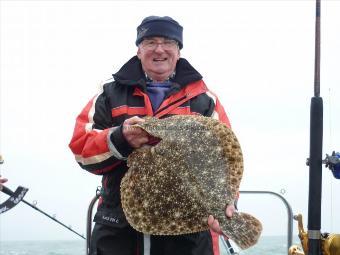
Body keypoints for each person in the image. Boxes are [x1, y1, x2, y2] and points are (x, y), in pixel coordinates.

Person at [69, 16, 236, 255]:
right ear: (139, 50)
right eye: (150, 42)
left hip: (187, 235)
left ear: (178, 51)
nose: (159, 49)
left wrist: (227, 203)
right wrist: (120, 139)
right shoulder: (110, 93)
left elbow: (225, 158)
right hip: (119, 229)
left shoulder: (204, 100)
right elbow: (81, 148)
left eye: (168, 42)